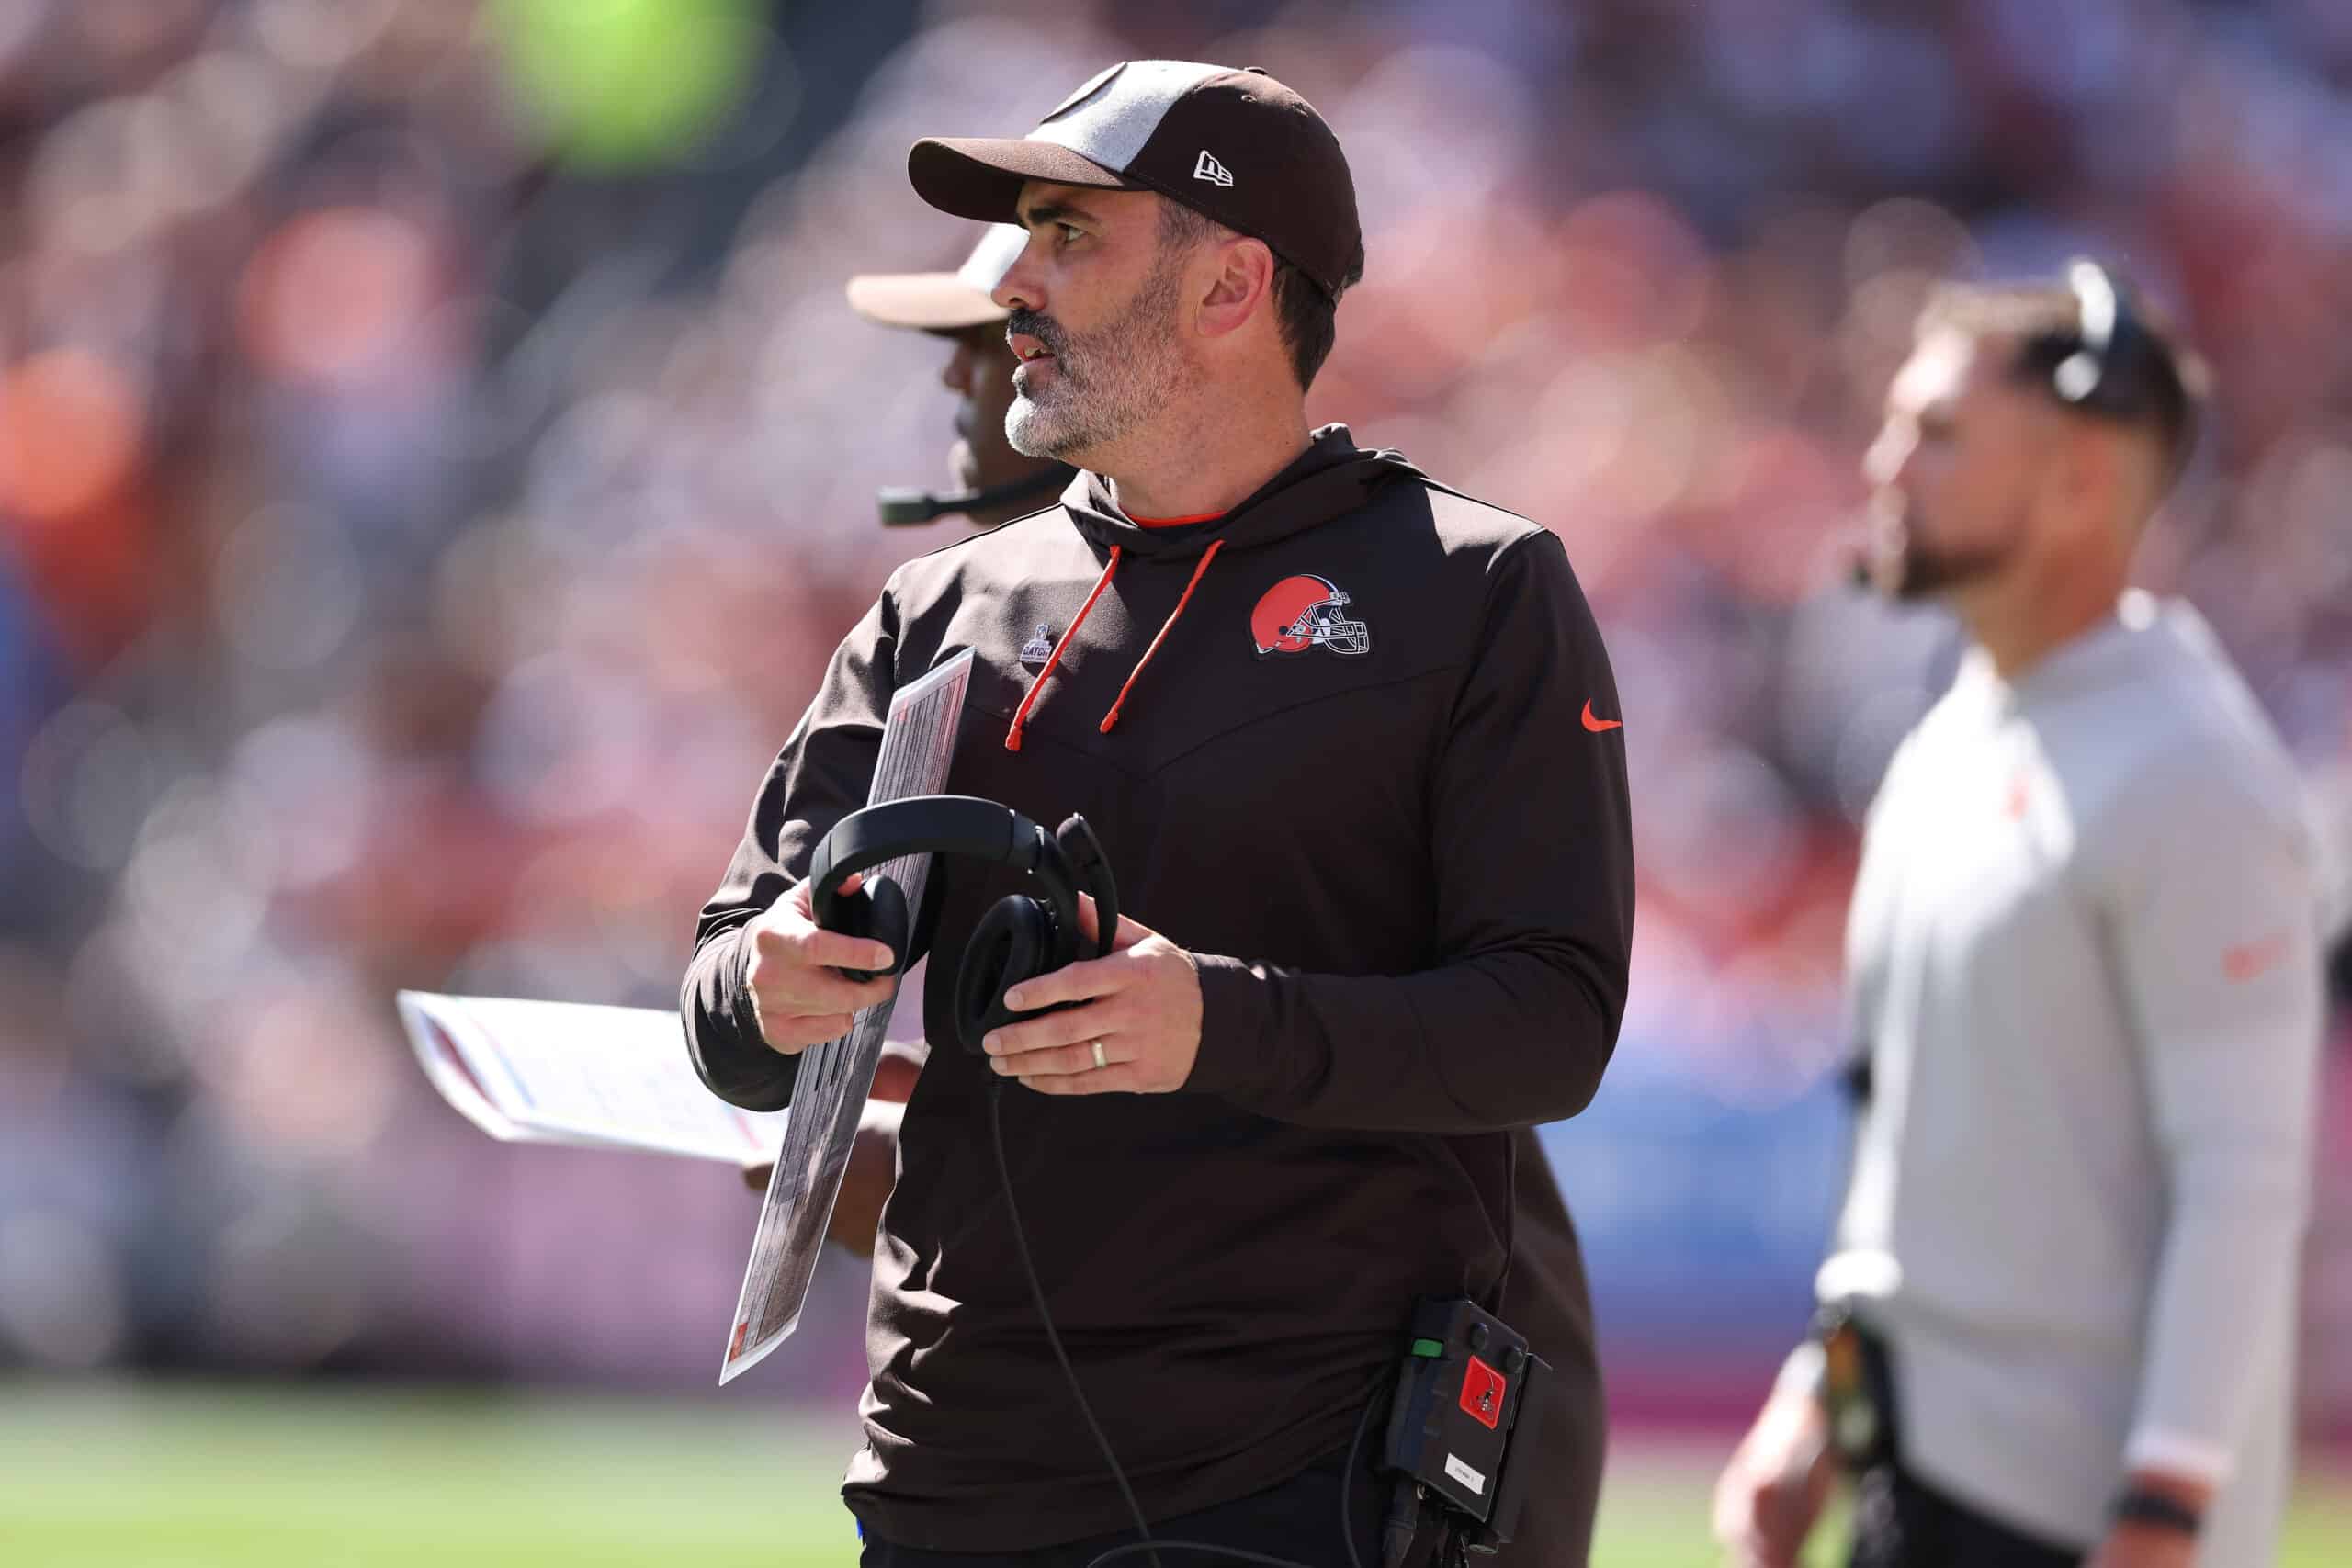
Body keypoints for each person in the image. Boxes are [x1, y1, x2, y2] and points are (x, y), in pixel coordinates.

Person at [682, 60, 1634, 1567]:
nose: (1016, 291)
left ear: (1234, 284)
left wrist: (1217, 1024)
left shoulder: (1475, 588)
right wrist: (771, 982)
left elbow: (1554, 1023)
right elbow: (728, 987)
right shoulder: (940, 605)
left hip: (1294, 1484)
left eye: (1068, 236)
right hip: (947, 1472)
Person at [1712, 265, 2325, 1568]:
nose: (1884, 464)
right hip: (1922, 1477)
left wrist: (2168, 1505)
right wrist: (1816, 1397)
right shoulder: (1953, 739)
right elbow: (1902, 1134)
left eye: (1935, 433)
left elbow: (2243, 1182)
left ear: (2079, 483)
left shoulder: (2196, 776)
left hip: (2084, 1520)